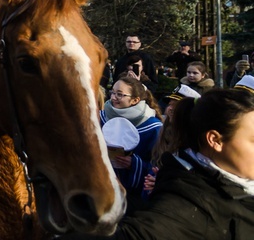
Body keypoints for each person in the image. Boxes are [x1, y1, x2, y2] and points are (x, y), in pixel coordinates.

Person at [65, 88, 254, 239]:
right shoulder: (187, 211)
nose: (114, 97)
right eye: (253, 140)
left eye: (120, 93)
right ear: (215, 140)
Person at [100, 76, 163, 213]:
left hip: (133, 199)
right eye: (113, 92)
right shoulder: (101, 117)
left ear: (135, 100)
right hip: (101, 188)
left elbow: (159, 167)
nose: (114, 97)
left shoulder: (153, 127)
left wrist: (134, 164)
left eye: (120, 94)